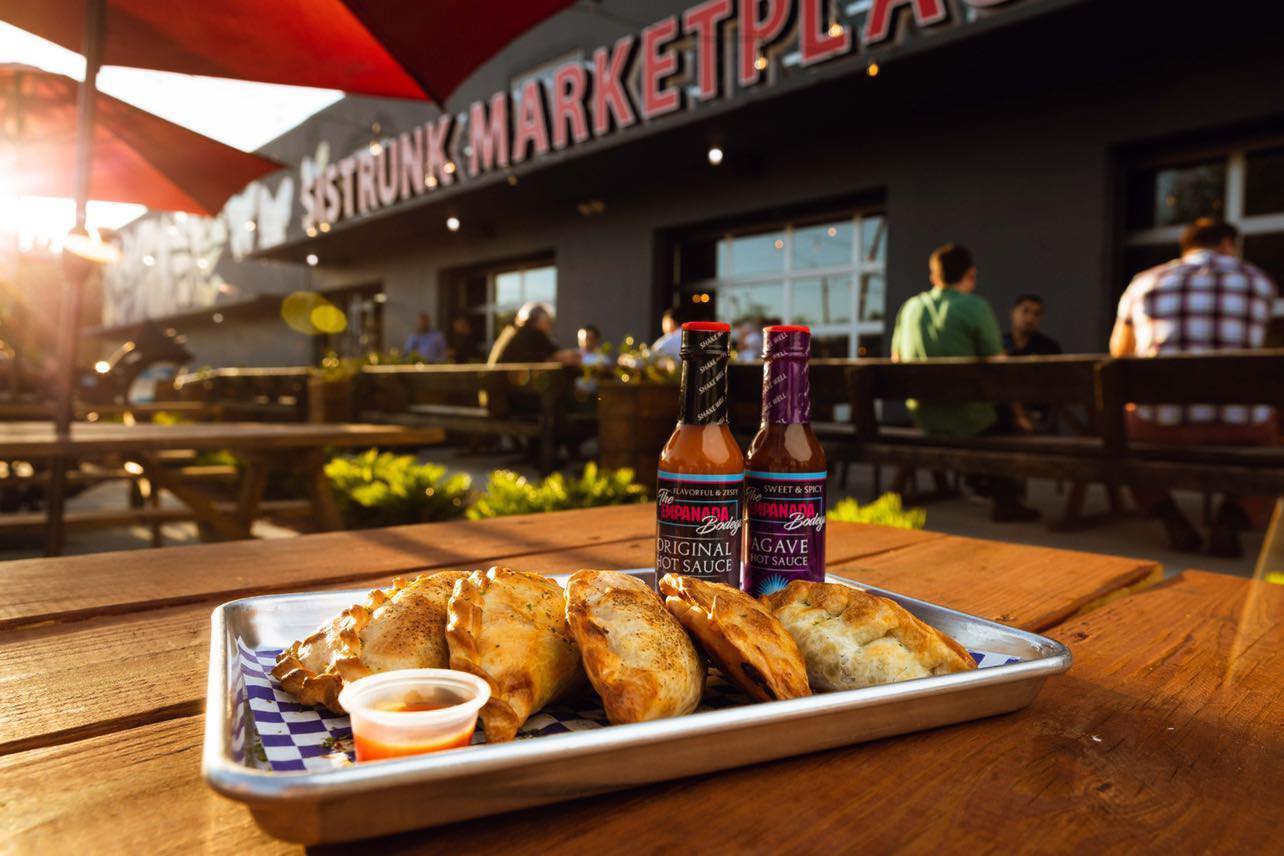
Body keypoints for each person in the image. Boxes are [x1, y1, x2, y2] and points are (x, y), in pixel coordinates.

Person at [1110, 218, 1278, 557]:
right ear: (1228, 244)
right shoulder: (1259, 282)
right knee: (1275, 436)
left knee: (1120, 430)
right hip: (1243, 429)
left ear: (1186, 246)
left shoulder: (1144, 282)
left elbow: (1119, 354)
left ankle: (1167, 513)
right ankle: (1234, 517)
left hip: (1158, 429)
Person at [890, 243, 1040, 522]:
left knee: (985, 414)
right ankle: (1004, 499)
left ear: (934, 276)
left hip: (924, 417)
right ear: (971, 274)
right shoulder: (975, 306)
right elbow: (1000, 370)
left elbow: (896, 360)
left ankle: (976, 482)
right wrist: (1020, 415)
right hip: (971, 422)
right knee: (1010, 420)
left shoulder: (910, 308)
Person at [1004, 294, 1062, 430]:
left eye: (1037, 314)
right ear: (1012, 313)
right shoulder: (998, 345)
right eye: (1025, 311)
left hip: (1038, 415)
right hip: (1004, 415)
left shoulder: (1049, 347)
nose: (1030, 318)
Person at [487, 301, 580, 366]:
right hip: (509, 385)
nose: (549, 326)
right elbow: (557, 354)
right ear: (539, 320)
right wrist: (580, 355)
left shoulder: (514, 332)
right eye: (548, 322)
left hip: (498, 381)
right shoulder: (533, 333)